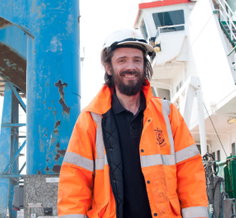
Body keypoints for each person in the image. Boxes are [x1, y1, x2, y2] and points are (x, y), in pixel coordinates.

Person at [57, 28, 208, 218]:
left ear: (145, 65)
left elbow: (190, 174)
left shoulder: (168, 115)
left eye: (137, 60)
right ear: (108, 67)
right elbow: (74, 182)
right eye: (122, 60)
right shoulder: (91, 119)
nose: (131, 67)